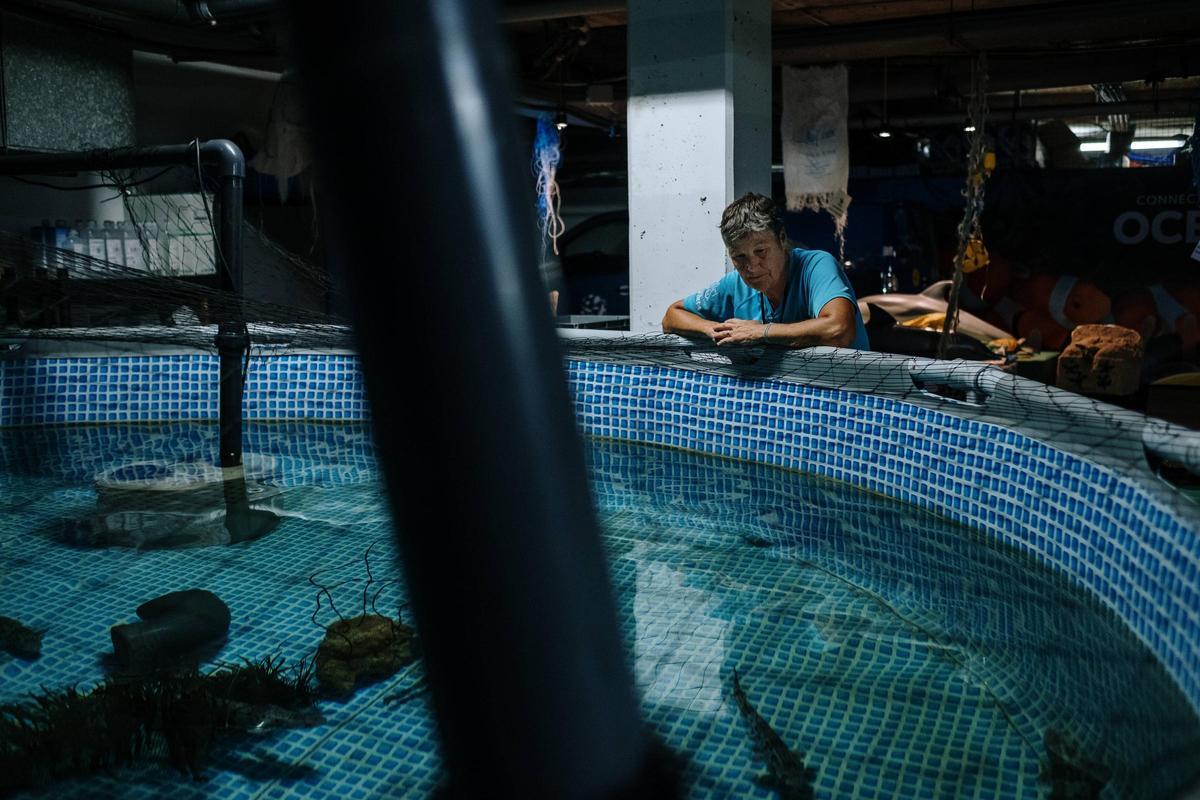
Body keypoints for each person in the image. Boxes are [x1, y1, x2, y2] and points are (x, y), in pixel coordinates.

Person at [661, 192, 869, 349]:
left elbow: (839, 330)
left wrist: (762, 332)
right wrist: (715, 329)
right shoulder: (735, 284)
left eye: (761, 251)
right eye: (739, 257)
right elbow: (672, 315)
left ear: (781, 239)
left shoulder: (815, 266)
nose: (751, 267)